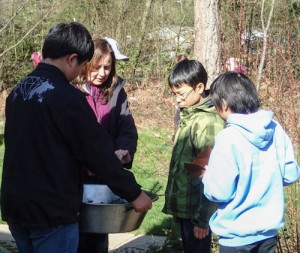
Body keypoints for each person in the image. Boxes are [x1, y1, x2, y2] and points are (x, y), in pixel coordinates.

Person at [0, 22, 152, 253]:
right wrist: (134, 193)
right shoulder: (67, 97)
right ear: (72, 59)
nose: (81, 72)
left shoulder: (19, 91)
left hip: (17, 206)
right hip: (51, 211)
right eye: (82, 65)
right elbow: (97, 152)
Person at [202, 72, 300, 253]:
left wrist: (207, 176)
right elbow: (291, 174)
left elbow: (219, 192)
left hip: (236, 236)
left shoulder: (228, 137)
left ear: (223, 103)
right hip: (268, 232)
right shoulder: (275, 128)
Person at [74, 37, 137, 253]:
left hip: (103, 179)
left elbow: (126, 126)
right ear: (85, 65)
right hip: (74, 180)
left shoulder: (116, 91)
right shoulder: (71, 90)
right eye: (97, 67)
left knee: (97, 240)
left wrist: (125, 151)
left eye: (107, 67)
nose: (102, 73)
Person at [162, 59, 224, 253]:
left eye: (181, 94)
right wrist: (176, 207)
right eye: (174, 94)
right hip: (186, 209)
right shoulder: (188, 116)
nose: (177, 100)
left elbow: (212, 175)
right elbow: (184, 166)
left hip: (198, 213)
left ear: (199, 87)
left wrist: (203, 219)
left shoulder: (207, 122)